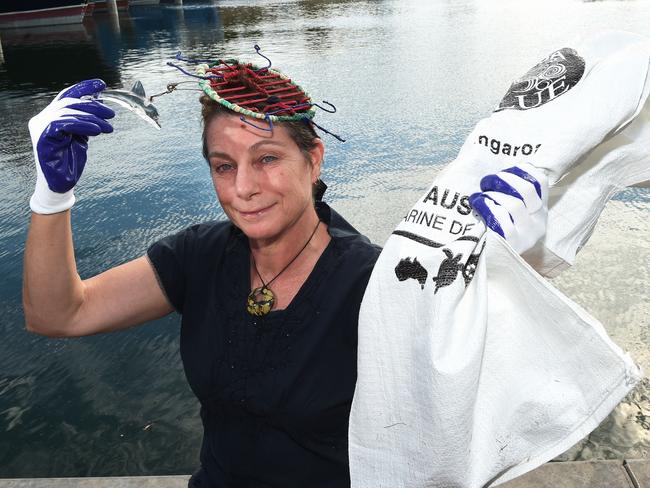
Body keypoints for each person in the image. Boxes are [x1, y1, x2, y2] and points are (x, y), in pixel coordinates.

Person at [23, 71, 547, 487]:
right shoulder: (200, 256)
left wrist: (513, 268)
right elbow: (59, 314)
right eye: (223, 166)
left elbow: (479, 396)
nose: (243, 188)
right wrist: (50, 197)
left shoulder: (376, 282)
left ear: (313, 159)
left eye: (267, 158)